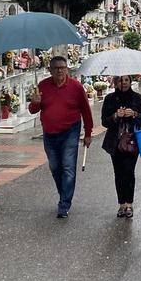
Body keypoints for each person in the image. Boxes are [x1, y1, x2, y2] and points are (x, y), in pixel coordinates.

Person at [29, 56, 94, 218]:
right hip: (50, 133)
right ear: (50, 70)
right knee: (55, 167)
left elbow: (86, 110)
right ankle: (63, 193)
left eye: (63, 67)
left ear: (67, 69)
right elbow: (32, 110)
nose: (60, 70)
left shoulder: (76, 87)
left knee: (68, 167)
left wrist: (88, 132)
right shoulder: (43, 86)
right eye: (56, 68)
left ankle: (64, 204)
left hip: (70, 131)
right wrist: (36, 102)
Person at [101, 75, 141, 218]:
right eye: (121, 80)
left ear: (130, 81)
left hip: (132, 141)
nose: (124, 83)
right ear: (116, 82)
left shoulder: (137, 98)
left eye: (126, 80)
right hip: (114, 141)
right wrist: (116, 115)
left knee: (129, 171)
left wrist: (134, 114)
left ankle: (129, 203)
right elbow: (104, 121)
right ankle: (121, 204)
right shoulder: (110, 99)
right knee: (118, 173)